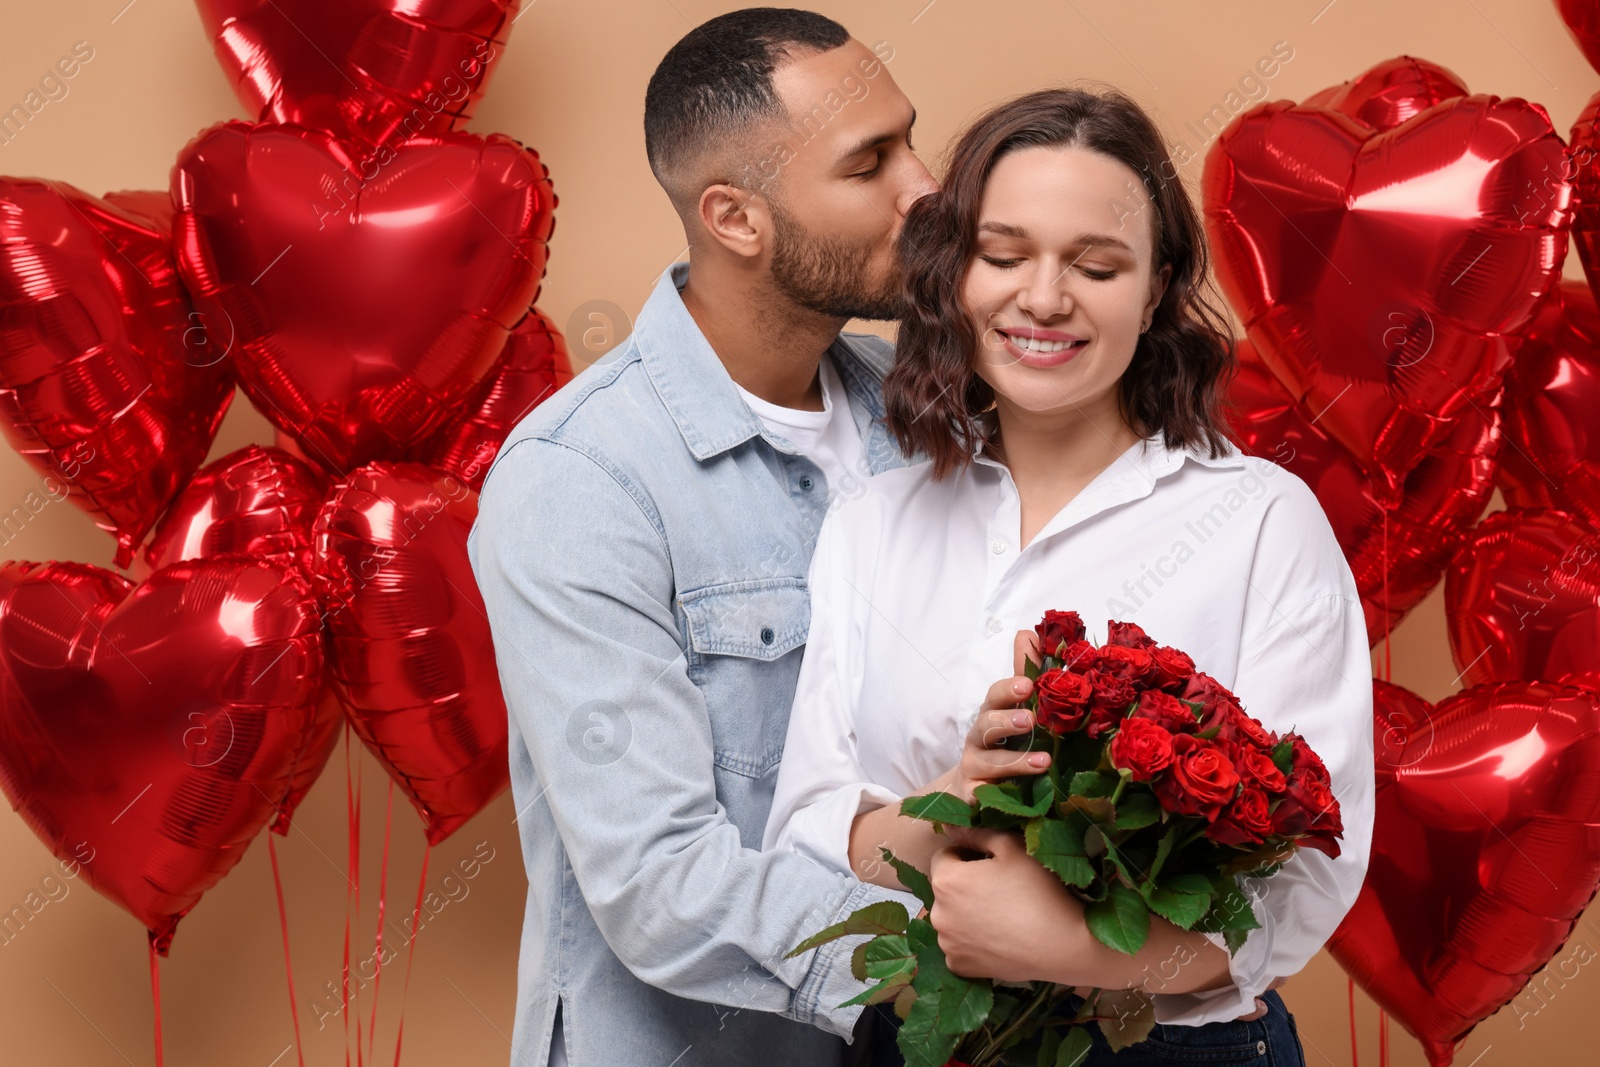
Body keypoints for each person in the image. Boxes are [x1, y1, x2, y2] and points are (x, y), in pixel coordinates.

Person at [468, 10, 1050, 1067]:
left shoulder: (929, 413)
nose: (924, 187)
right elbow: (659, 882)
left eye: (909, 140)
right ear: (735, 217)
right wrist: (980, 959)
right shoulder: (579, 480)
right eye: (869, 162)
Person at [762, 86, 1375, 1066]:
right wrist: (946, 806)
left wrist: (1077, 948)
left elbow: (1302, 879)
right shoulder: (873, 522)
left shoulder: (1259, 520)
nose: (1043, 298)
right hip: (919, 1035)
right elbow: (807, 822)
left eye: (1095, 265)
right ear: (954, 272)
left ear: (1157, 282)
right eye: (1003, 256)